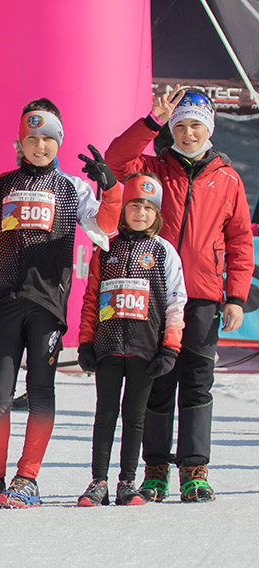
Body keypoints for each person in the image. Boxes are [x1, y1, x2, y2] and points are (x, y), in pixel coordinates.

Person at [0, 98, 122, 508]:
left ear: (59, 141)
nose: (40, 146)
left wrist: (112, 189)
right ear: (20, 142)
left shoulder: (72, 188)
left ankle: (27, 478)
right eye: (32, 138)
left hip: (47, 305)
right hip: (6, 303)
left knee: (40, 390)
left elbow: (105, 227)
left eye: (48, 138)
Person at [105, 88, 252, 503]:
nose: (188, 133)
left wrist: (236, 297)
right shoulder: (153, 168)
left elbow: (240, 241)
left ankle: (194, 469)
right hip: (154, 294)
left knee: (198, 383)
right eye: (181, 125)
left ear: (210, 129)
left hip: (203, 296)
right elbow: (116, 161)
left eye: (196, 125)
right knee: (157, 381)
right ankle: (155, 470)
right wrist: (151, 122)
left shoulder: (228, 178)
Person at [76, 173, 187, 507]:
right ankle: (98, 481)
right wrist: (85, 342)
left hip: (144, 349)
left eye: (148, 207)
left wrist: (170, 348)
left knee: (135, 417)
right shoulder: (105, 247)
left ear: (157, 214)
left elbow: (176, 303)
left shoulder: (164, 251)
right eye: (134, 205)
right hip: (108, 347)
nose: (141, 213)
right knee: (105, 414)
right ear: (123, 209)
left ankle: (127, 482)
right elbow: (91, 298)